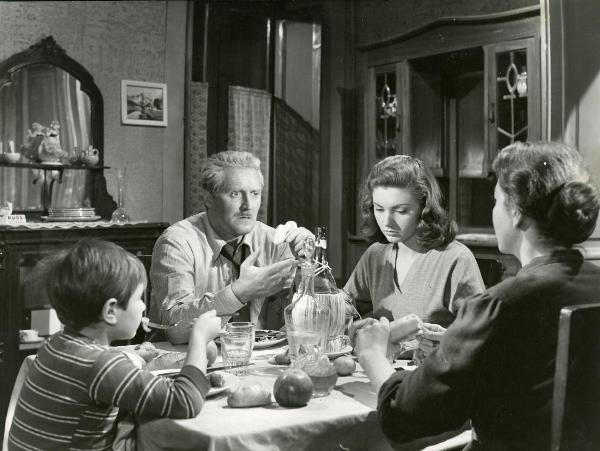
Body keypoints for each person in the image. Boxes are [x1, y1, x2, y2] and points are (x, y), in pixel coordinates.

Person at [354, 141, 600, 450]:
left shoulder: (498, 305)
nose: (491, 210)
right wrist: (455, 344)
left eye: (496, 201)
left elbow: (402, 418)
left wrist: (372, 353)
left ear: (517, 214)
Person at [7, 239, 222, 451]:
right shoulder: (103, 365)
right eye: (139, 298)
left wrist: (135, 360)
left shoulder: (56, 344)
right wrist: (199, 339)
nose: (144, 306)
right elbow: (184, 402)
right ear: (110, 311)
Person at [150, 150, 313, 344]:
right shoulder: (176, 243)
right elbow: (174, 329)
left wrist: (308, 268)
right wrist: (238, 293)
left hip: (261, 363)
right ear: (209, 199)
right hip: (188, 361)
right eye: (235, 194)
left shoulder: (275, 241)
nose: (248, 206)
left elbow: (302, 325)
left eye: (255, 194)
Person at [344, 155, 484, 357]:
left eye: (400, 211)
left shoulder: (455, 259)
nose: (386, 221)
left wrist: (449, 344)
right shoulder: (376, 255)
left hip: (430, 377)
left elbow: (482, 338)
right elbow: (345, 308)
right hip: (380, 373)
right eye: (379, 209)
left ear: (424, 209)